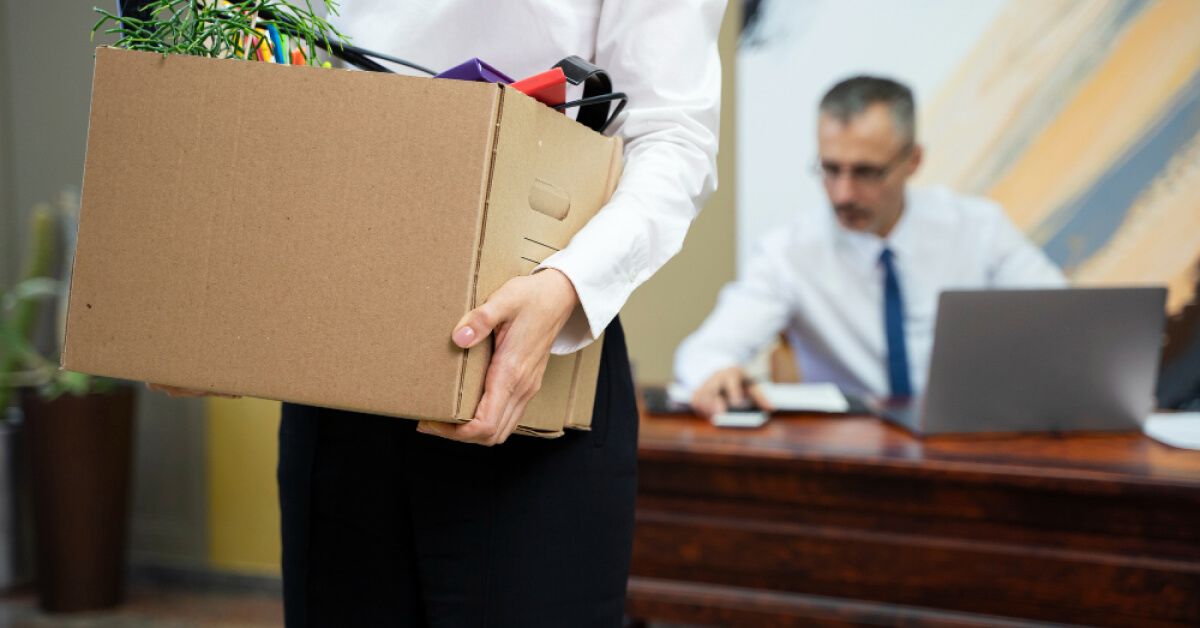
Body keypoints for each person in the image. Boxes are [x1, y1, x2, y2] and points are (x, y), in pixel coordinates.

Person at [152, 0, 724, 625]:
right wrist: (206, 297)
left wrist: (567, 283)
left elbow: (672, 135)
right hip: (336, 360)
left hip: (536, 365)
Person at [675, 75, 1065, 418]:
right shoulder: (788, 252)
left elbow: (1064, 318)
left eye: (866, 172)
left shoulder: (979, 228)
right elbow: (704, 352)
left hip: (968, 441)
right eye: (830, 169)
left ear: (913, 160)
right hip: (852, 455)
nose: (843, 194)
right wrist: (717, 372)